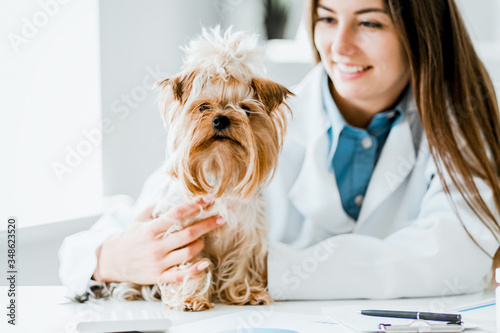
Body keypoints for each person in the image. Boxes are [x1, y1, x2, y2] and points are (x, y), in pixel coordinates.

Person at [60, 0, 500, 301]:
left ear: (422, 33)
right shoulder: (247, 126)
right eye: (327, 18)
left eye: (370, 22)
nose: (339, 45)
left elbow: (460, 255)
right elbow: (101, 240)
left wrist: (260, 267)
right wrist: (107, 258)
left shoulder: (455, 127)